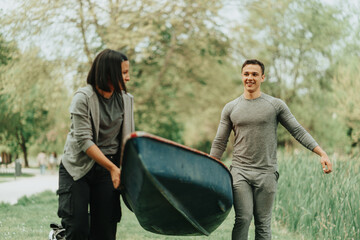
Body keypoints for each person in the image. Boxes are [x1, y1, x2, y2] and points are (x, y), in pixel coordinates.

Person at [210, 59, 332, 240]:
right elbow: (220, 142)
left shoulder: (275, 105)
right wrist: (210, 167)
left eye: (254, 74)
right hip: (240, 172)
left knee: (263, 223)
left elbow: (297, 131)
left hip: (266, 172)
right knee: (243, 218)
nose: (250, 78)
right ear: (242, 76)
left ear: (263, 77)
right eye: (246, 74)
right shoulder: (231, 108)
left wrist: (321, 153)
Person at [57, 49, 134, 240]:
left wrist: (122, 168)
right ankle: (60, 235)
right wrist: (113, 169)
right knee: (77, 229)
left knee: (105, 232)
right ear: (109, 73)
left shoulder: (126, 100)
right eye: (123, 73)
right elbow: (84, 140)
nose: (128, 78)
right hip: (78, 169)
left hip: (108, 170)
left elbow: (127, 139)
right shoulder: (82, 98)